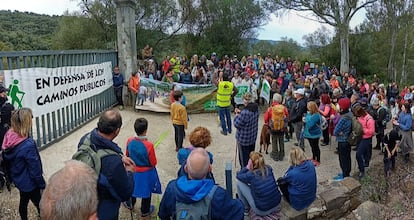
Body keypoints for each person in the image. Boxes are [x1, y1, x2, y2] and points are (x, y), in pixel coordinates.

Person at [77, 109, 135, 219]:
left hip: (83, 199)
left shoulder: (85, 139)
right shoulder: (113, 164)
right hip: (103, 209)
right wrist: (130, 172)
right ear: (117, 131)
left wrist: (120, 156)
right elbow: (125, 193)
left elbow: (96, 153)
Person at [158, 148, 244, 219]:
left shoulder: (172, 188)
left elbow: (162, 214)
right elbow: (237, 213)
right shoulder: (218, 195)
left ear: (186, 168)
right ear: (209, 169)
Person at [2, 108, 46, 220]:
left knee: (23, 201)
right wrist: (42, 184)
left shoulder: (9, 136)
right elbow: (35, 169)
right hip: (31, 183)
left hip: (18, 178)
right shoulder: (28, 145)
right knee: (40, 204)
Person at [125, 118, 161, 219]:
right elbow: (153, 162)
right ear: (146, 130)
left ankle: (130, 204)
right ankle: (145, 210)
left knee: (132, 187)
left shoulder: (129, 141)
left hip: (133, 170)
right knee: (147, 191)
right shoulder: (149, 145)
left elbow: (127, 155)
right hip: (146, 172)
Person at [236, 151, 282, 216]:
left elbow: (238, 176)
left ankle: (245, 209)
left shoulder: (251, 174)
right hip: (277, 205)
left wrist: (247, 167)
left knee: (239, 183)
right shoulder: (269, 168)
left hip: (262, 211)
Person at [277, 147, 317, 211]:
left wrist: (291, 166)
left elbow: (285, 178)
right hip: (311, 197)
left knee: (280, 181)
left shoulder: (292, 173)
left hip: (298, 203)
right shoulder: (311, 164)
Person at [234, 93, 259, 167]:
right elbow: (248, 119)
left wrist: (237, 116)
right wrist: (240, 113)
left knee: (244, 160)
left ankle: (245, 172)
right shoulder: (256, 108)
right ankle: (251, 168)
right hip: (252, 137)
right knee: (251, 156)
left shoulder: (245, 113)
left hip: (244, 140)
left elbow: (236, 124)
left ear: (245, 101)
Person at [264, 93, 289, 161]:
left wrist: (268, 124)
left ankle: (275, 155)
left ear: (274, 100)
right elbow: (287, 117)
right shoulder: (284, 108)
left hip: (273, 128)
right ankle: (281, 155)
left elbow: (266, 119)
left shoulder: (270, 109)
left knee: (274, 141)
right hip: (282, 127)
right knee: (281, 140)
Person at [353, 105, 375, 179]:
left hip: (366, 138)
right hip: (360, 137)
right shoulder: (359, 117)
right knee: (363, 153)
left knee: (358, 154)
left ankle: (362, 170)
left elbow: (371, 131)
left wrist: (362, 130)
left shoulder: (369, 119)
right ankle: (363, 165)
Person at [333, 98, 353, 178]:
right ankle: (347, 173)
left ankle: (345, 175)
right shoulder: (350, 114)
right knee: (347, 158)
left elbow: (335, 131)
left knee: (343, 159)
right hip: (348, 139)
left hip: (342, 141)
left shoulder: (343, 118)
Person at [303, 101, 323, 166]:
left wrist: (305, 120)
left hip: (314, 134)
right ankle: (314, 157)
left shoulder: (316, 115)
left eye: (308, 107)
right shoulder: (309, 114)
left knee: (315, 147)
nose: (307, 108)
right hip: (309, 134)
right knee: (312, 146)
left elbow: (310, 124)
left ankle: (318, 160)